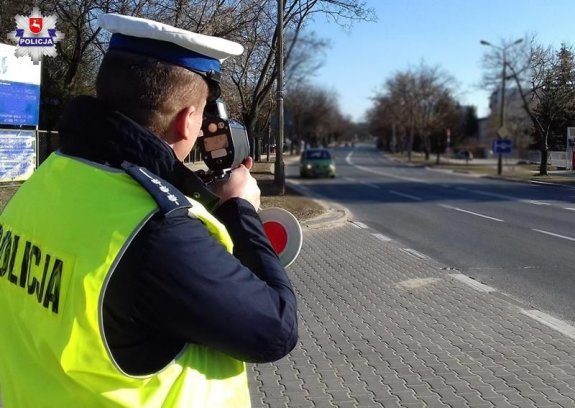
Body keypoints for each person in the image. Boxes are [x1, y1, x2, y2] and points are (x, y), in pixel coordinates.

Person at [0, 13, 298, 407]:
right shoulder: (158, 230)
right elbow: (276, 328)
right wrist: (240, 208)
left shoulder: (48, 178)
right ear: (187, 120)